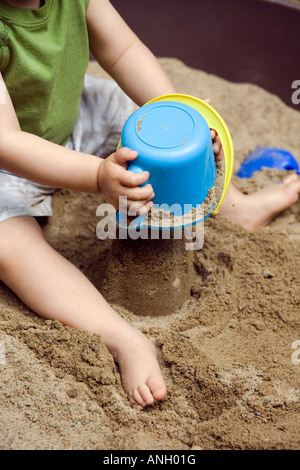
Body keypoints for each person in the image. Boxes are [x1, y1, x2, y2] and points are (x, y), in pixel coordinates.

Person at [0, 0, 299, 409]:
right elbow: (8, 142)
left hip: (73, 118)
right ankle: (122, 337)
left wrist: (185, 123)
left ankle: (236, 207)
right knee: (8, 246)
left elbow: (123, 52)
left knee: (151, 127)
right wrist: (97, 177)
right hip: (7, 164)